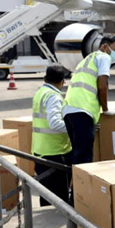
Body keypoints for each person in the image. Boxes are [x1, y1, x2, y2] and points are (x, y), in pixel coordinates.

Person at [63, 35, 115, 165]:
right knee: (84, 158)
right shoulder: (104, 57)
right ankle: (81, 185)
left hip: (70, 109)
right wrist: (106, 109)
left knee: (78, 153)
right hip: (82, 109)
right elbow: (102, 85)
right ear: (105, 46)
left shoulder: (87, 59)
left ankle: (74, 184)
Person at [32, 66, 72, 205]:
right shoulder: (54, 96)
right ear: (62, 82)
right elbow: (54, 123)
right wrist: (75, 128)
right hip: (55, 152)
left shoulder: (41, 92)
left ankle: (48, 218)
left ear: (45, 78)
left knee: (47, 195)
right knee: (58, 198)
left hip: (40, 150)